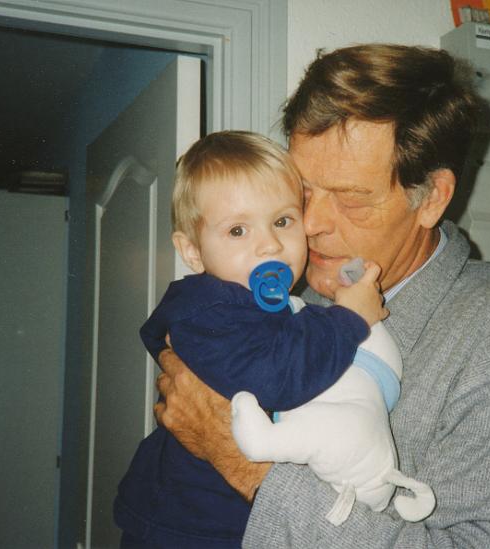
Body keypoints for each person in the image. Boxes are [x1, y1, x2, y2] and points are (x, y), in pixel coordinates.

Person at [154, 44, 490, 547]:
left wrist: (248, 468)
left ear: (431, 197)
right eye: (302, 193)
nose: (312, 224)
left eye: (351, 199)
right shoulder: (291, 300)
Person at [114, 130, 412, 548]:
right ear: (193, 251)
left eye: (283, 221)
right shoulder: (206, 312)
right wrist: (350, 318)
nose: (270, 244)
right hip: (183, 526)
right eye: (238, 230)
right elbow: (277, 378)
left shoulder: (268, 305)